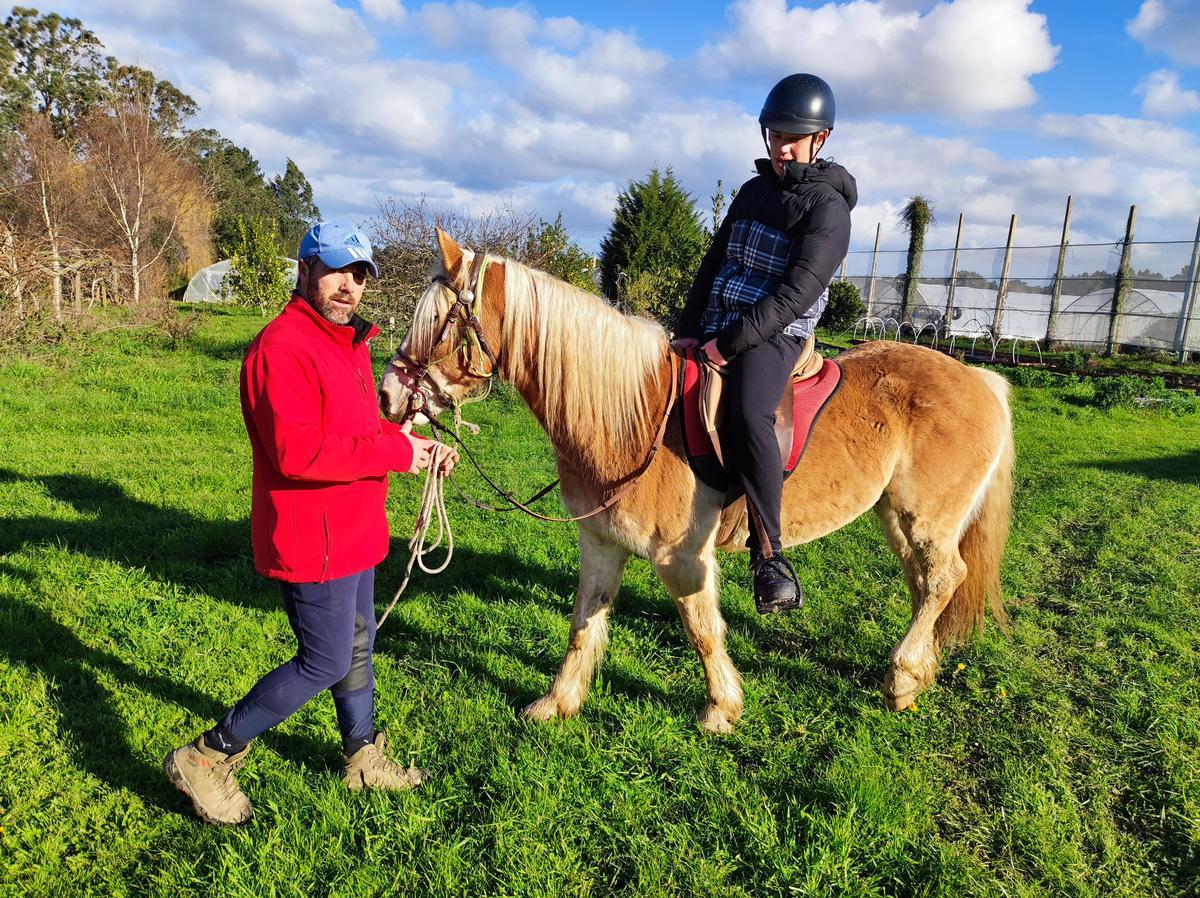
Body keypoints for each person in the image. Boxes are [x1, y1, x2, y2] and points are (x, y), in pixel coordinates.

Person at [165, 221, 457, 825]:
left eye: (359, 275)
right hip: (311, 537)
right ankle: (207, 755)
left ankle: (362, 758)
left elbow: (356, 431)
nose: (350, 285)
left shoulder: (346, 342)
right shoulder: (282, 347)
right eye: (337, 270)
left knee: (358, 646)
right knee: (324, 660)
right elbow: (298, 453)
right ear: (305, 270)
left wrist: (410, 445)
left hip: (354, 529)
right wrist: (393, 454)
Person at [675, 73, 857, 614]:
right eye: (774, 134)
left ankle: (770, 554)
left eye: (792, 138)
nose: (781, 146)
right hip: (718, 319)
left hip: (775, 332)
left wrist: (728, 344)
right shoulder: (753, 191)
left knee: (751, 413)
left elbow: (795, 294)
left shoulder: (829, 209)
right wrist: (688, 326)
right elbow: (715, 261)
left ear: (819, 139)